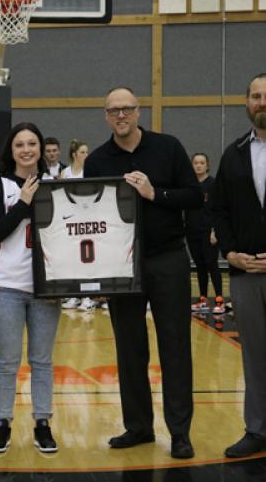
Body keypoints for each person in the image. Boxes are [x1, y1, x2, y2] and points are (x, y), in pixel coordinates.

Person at [84, 87, 203, 459]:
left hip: (167, 258)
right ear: (106, 116)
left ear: (138, 112)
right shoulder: (98, 160)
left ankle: (180, 433)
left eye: (127, 109)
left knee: (176, 348)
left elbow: (194, 196)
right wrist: (97, 272)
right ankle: (138, 427)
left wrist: (156, 194)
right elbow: (90, 218)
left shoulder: (168, 147)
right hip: (121, 265)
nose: (121, 115)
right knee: (129, 348)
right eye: (113, 110)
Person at [0, 122, 61, 453]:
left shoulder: (56, 186)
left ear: (41, 148)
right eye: (20, 144)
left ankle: (42, 423)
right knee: (7, 361)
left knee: (42, 360)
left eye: (33, 143)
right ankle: (2, 423)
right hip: (7, 286)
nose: (27, 149)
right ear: (11, 150)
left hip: (46, 289)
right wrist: (23, 203)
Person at [213, 73, 266, 458]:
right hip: (246, 274)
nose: (262, 102)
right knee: (255, 355)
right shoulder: (233, 153)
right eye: (256, 96)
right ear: (246, 103)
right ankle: (258, 430)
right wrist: (230, 253)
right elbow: (219, 210)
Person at [59, 140, 96, 312]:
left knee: (87, 261)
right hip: (70, 222)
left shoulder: (89, 172)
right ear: (74, 154)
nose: (86, 155)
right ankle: (74, 295)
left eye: (87, 152)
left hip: (87, 222)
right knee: (72, 261)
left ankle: (88, 298)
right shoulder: (64, 173)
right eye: (83, 152)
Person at [185, 153, 224, 314]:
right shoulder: (189, 185)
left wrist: (215, 231)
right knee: (199, 265)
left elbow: (219, 209)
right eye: (196, 163)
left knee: (211, 264)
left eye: (202, 163)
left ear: (207, 165)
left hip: (209, 232)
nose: (199, 165)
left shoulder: (214, 184)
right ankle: (202, 299)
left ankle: (220, 300)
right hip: (192, 231)